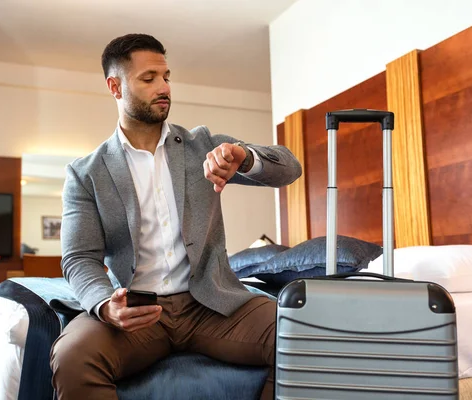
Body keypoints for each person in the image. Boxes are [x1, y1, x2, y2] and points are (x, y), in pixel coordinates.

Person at [49, 33, 302, 399]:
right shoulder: (86, 173)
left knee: (300, 333)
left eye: (166, 77)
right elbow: (79, 258)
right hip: (138, 314)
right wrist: (105, 306)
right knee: (73, 356)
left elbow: (289, 169)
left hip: (211, 305)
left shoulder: (204, 145)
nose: (163, 87)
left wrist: (244, 157)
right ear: (115, 86)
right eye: (149, 78)